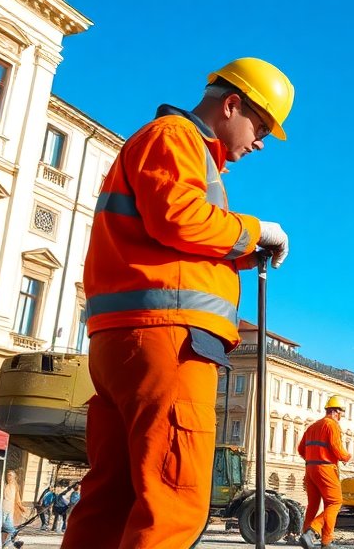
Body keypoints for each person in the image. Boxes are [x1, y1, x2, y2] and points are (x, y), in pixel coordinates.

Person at [60, 58, 294, 549]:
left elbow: (169, 236)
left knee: (113, 500)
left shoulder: (174, 147)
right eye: (262, 127)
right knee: (172, 499)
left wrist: (244, 253)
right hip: (168, 341)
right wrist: (255, 229)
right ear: (231, 104)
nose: (260, 143)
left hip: (128, 339)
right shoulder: (176, 137)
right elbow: (178, 218)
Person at [295, 395, 351, 549]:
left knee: (314, 504)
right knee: (335, 502)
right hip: (325, 469)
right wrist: (346, 456)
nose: (340, 417)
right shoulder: (331, 425)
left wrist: (313, 458)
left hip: (310, 469)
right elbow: (337, 448)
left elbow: (300, 449)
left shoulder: (312, 426)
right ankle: (314, 534)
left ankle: (307, 537)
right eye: (341, 413)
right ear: (336, 412)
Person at [0, 470, 26, 548]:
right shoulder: (4, 485)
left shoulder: (15, 486)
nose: (9, 477)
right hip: (2, 509)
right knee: (1, 527)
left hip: (9, 510)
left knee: (4, 528)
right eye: (8, 475)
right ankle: (14, 541)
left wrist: (21, 507)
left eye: (10, 475)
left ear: (14, 477)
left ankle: (5, 544)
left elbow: (17, 498)